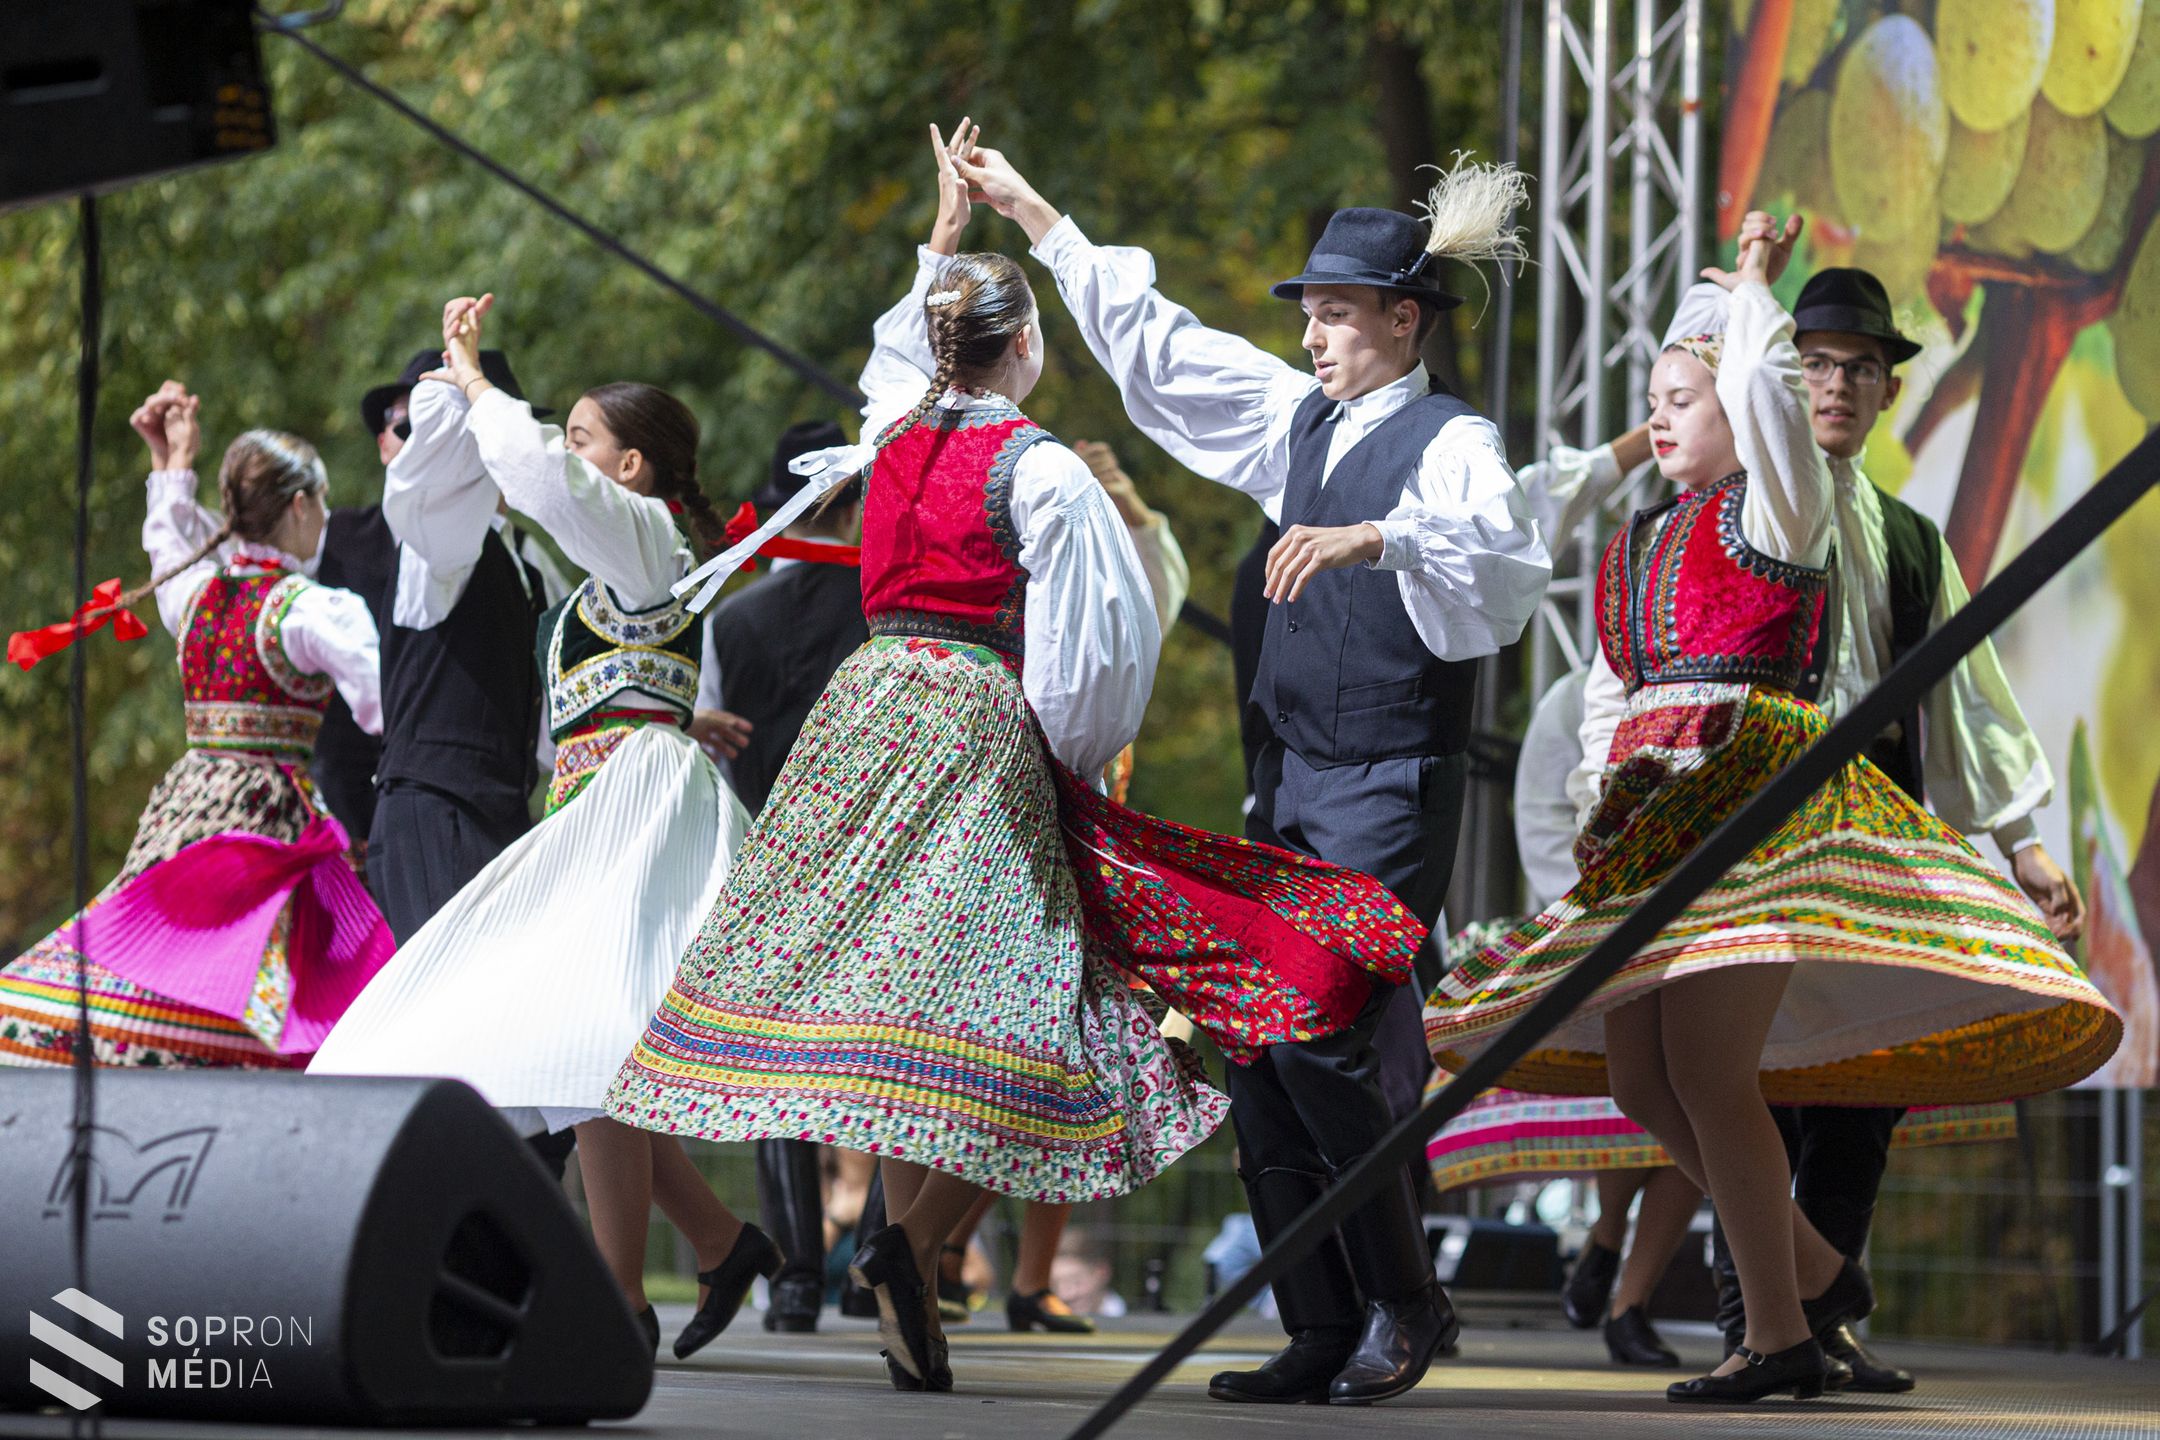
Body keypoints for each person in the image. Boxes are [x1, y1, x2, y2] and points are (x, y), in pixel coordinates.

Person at [607, 120, 1430, 1396]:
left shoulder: (885, 439)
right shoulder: (1036, 465)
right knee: (1043, 1009)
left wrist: (942, 239)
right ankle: (917, 1241)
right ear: (1028, 350)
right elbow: (1095, 651)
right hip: (977, 723)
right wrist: (1073, 758)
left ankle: (900, 1252)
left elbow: (896, 365)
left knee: (891, 1003)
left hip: (863, 712)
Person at [1423, 212, 2120, 1403]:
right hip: (1676, 816)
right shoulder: (1651, 540)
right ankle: (1806, 1289)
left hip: (1809, 815)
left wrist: (2017, 838)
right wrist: (1603, 806)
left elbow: (1962, 694)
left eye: (1857, 367)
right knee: (1661, 1078)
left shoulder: (1832, 519)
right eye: (1818, 363)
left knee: (1829, 1100)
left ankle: (1786, 1324)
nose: (1834, 385)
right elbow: (1611, 690)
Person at [957, 142, 1549, 1404]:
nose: (1316, 333)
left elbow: (1504, 574)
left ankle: (1407, 1299)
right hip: (1287, 784)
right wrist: (1039, 212)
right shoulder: (1300, 425)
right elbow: (1161, 350)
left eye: (1338, 312)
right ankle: (1321, 1319)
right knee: (1255, 1042)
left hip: (1390, 779)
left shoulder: (1452, 444)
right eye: (1313, 313)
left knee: (1327, 1030)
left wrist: (1379, 535)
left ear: (1405, 318)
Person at [308, 295, 763, 1363]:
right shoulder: (615, 560)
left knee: (588, 1048)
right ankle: (700, 1248)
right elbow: (611, 673)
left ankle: (620, 1295)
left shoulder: (637, 531)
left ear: (635, 468)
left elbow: (542, 479)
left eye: (588, 436)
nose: (569, 449)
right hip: (599, 806)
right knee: (585, 1050)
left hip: (630, 818)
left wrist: (472, 384)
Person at [0, 383, 390, 1068]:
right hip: (268, 823)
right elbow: (384, 707)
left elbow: (166, 542)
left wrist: (173, 462)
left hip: (187, 812)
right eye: (321, 503)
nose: (325, 518)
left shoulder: (199, 595)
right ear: (300, 505)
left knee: (163, 963)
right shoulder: (310, 610)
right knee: (283, 991)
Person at [366, 345, 565, 946]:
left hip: (499, 813)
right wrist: (458, 399)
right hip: (437, 808)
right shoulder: (439, 544)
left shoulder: (529, 566)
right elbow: (438, 487)